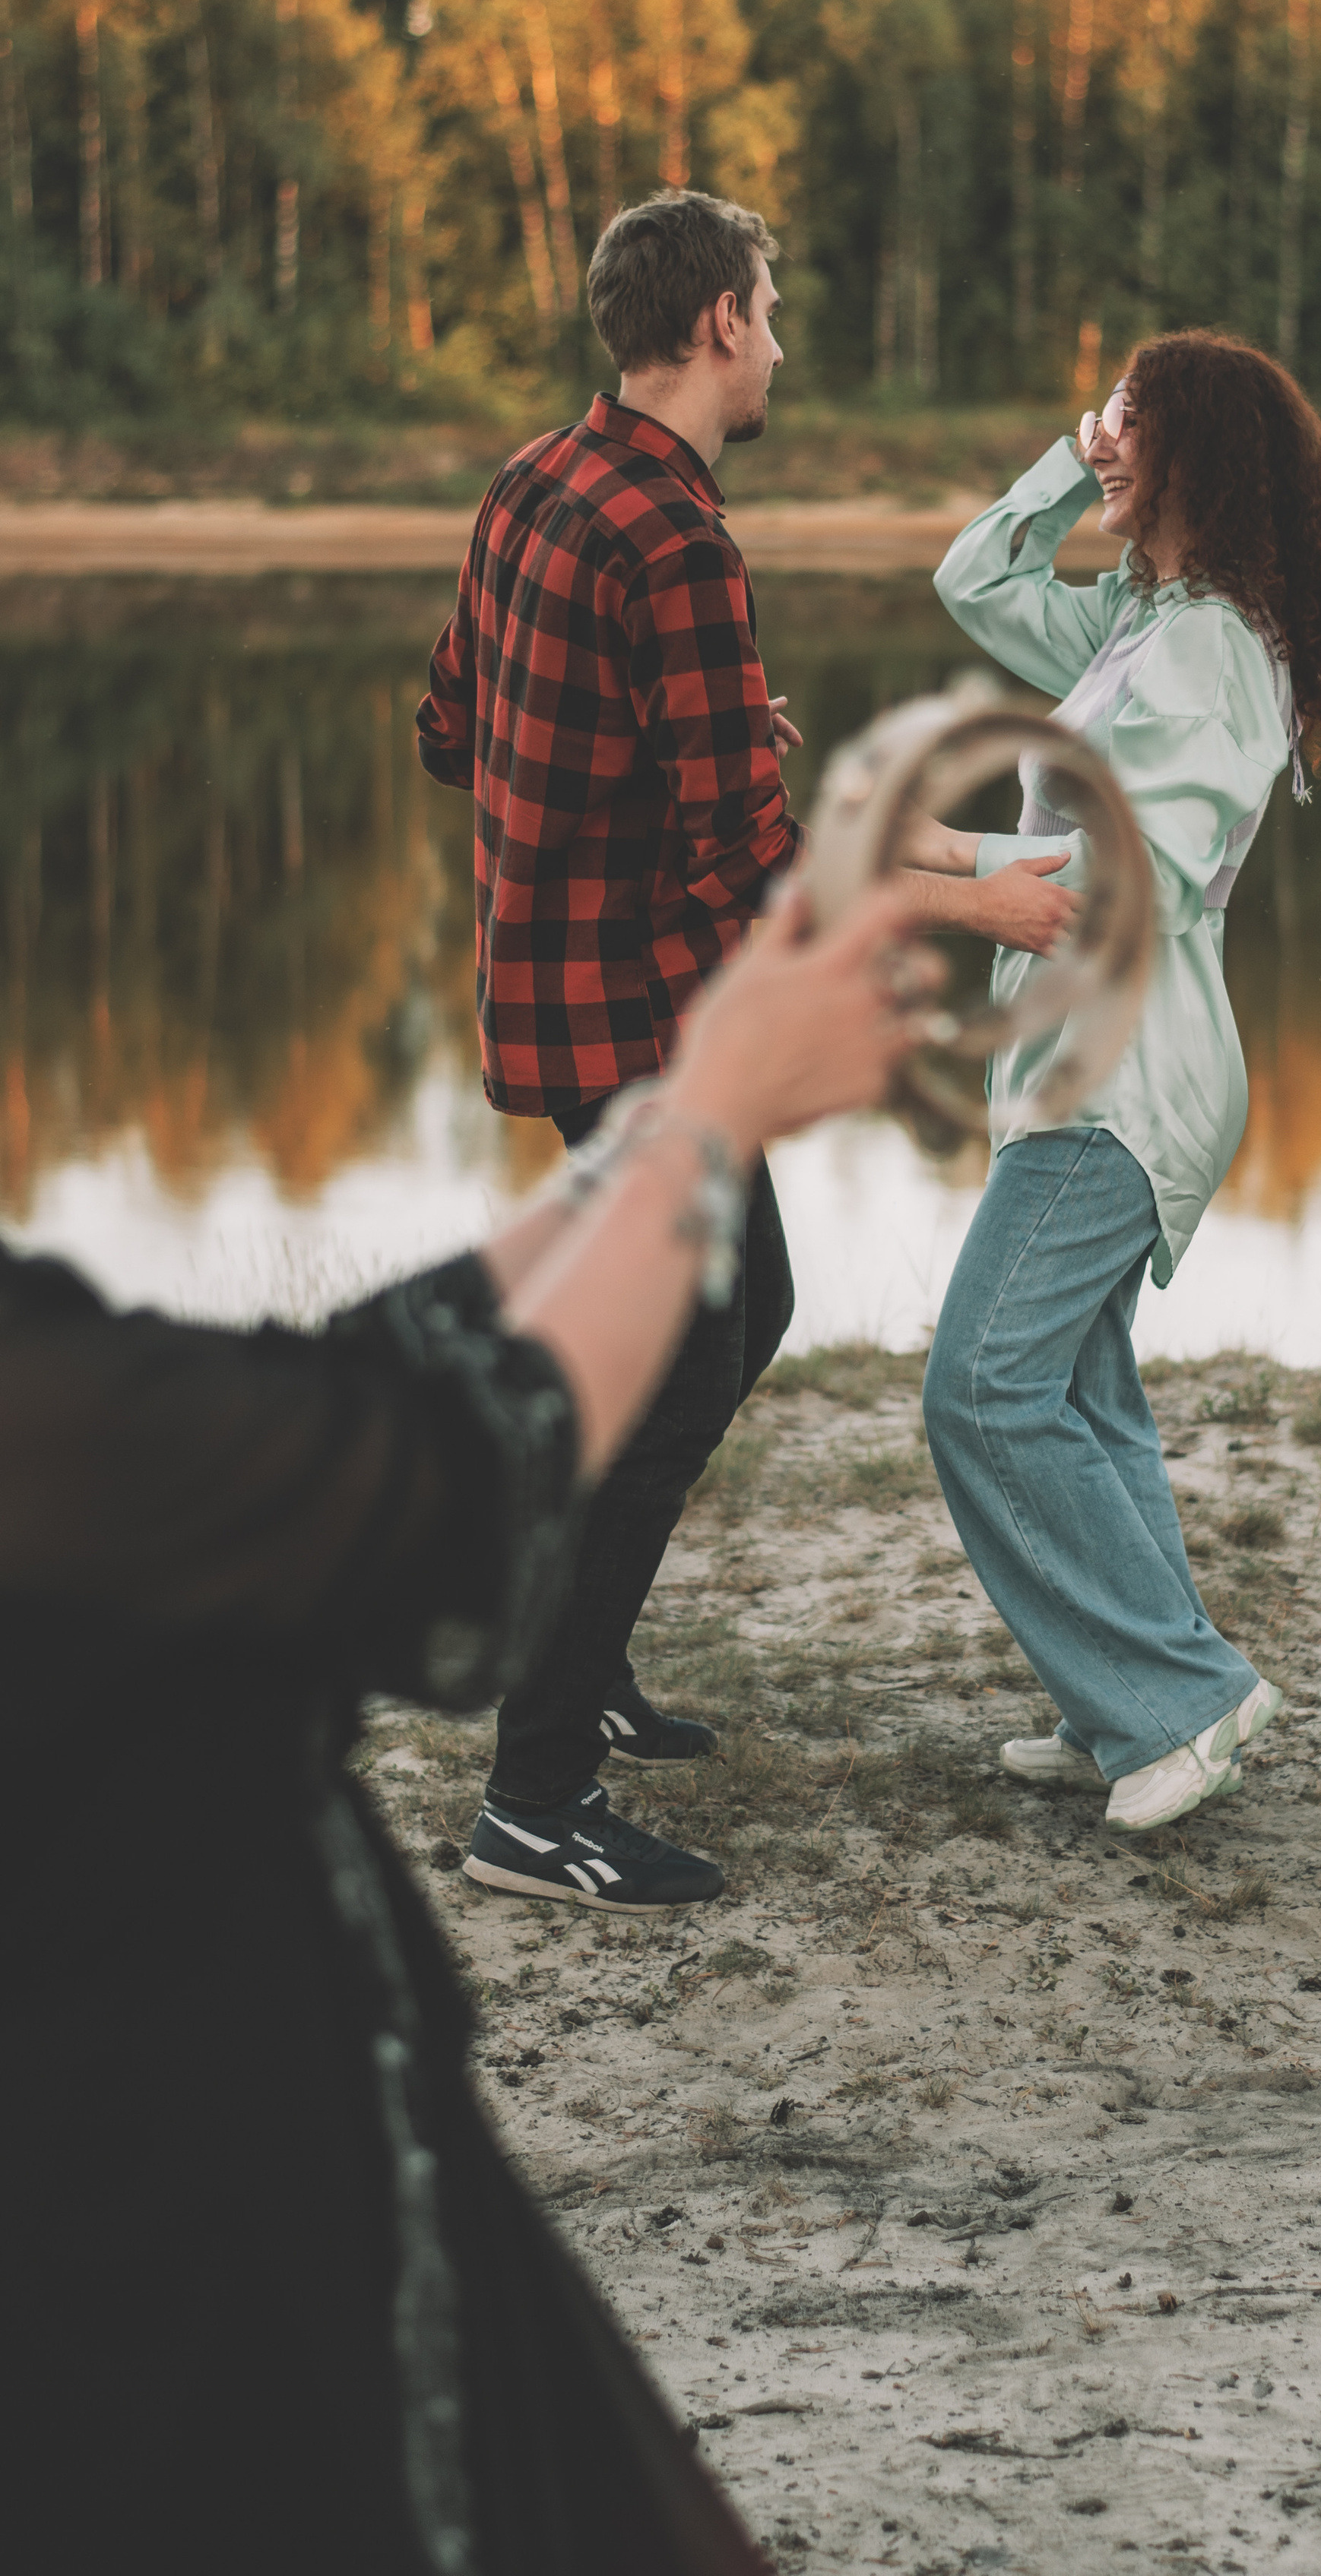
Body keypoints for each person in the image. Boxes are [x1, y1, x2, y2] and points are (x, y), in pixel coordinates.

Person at [8, 881, 933, 2576]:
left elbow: (314, 1397)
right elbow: (441, 1486)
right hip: (180, 2307)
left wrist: (650, 1144)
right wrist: (712, 1117)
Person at [415, 189, 1059, 1910]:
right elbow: (757, 867)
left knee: (743, 1307)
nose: (780, 342)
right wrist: (970, 904)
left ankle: (582, 1671)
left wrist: (679, 735)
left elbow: (449, 731)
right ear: (715, 323)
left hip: (562, 1005)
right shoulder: (680, 543)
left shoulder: (534, 479)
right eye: (768, 312)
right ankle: (531, 1806)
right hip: (647, 1024)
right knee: (679, 1368)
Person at [914, 332, 1321, 1834]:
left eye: (1132, 418)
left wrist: (949, 859)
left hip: (1127, 1077)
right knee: (1079, 1393)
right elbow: (973, 581)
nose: (1110, 435)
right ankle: (1117, 1702)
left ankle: (1181, 1699)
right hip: (1077, 1062)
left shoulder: (1211, 655)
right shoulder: (1147, 619)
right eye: (1109, 417)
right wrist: (1069, 471)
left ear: (1201, 450)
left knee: (981, 1387)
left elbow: (1144, 870)